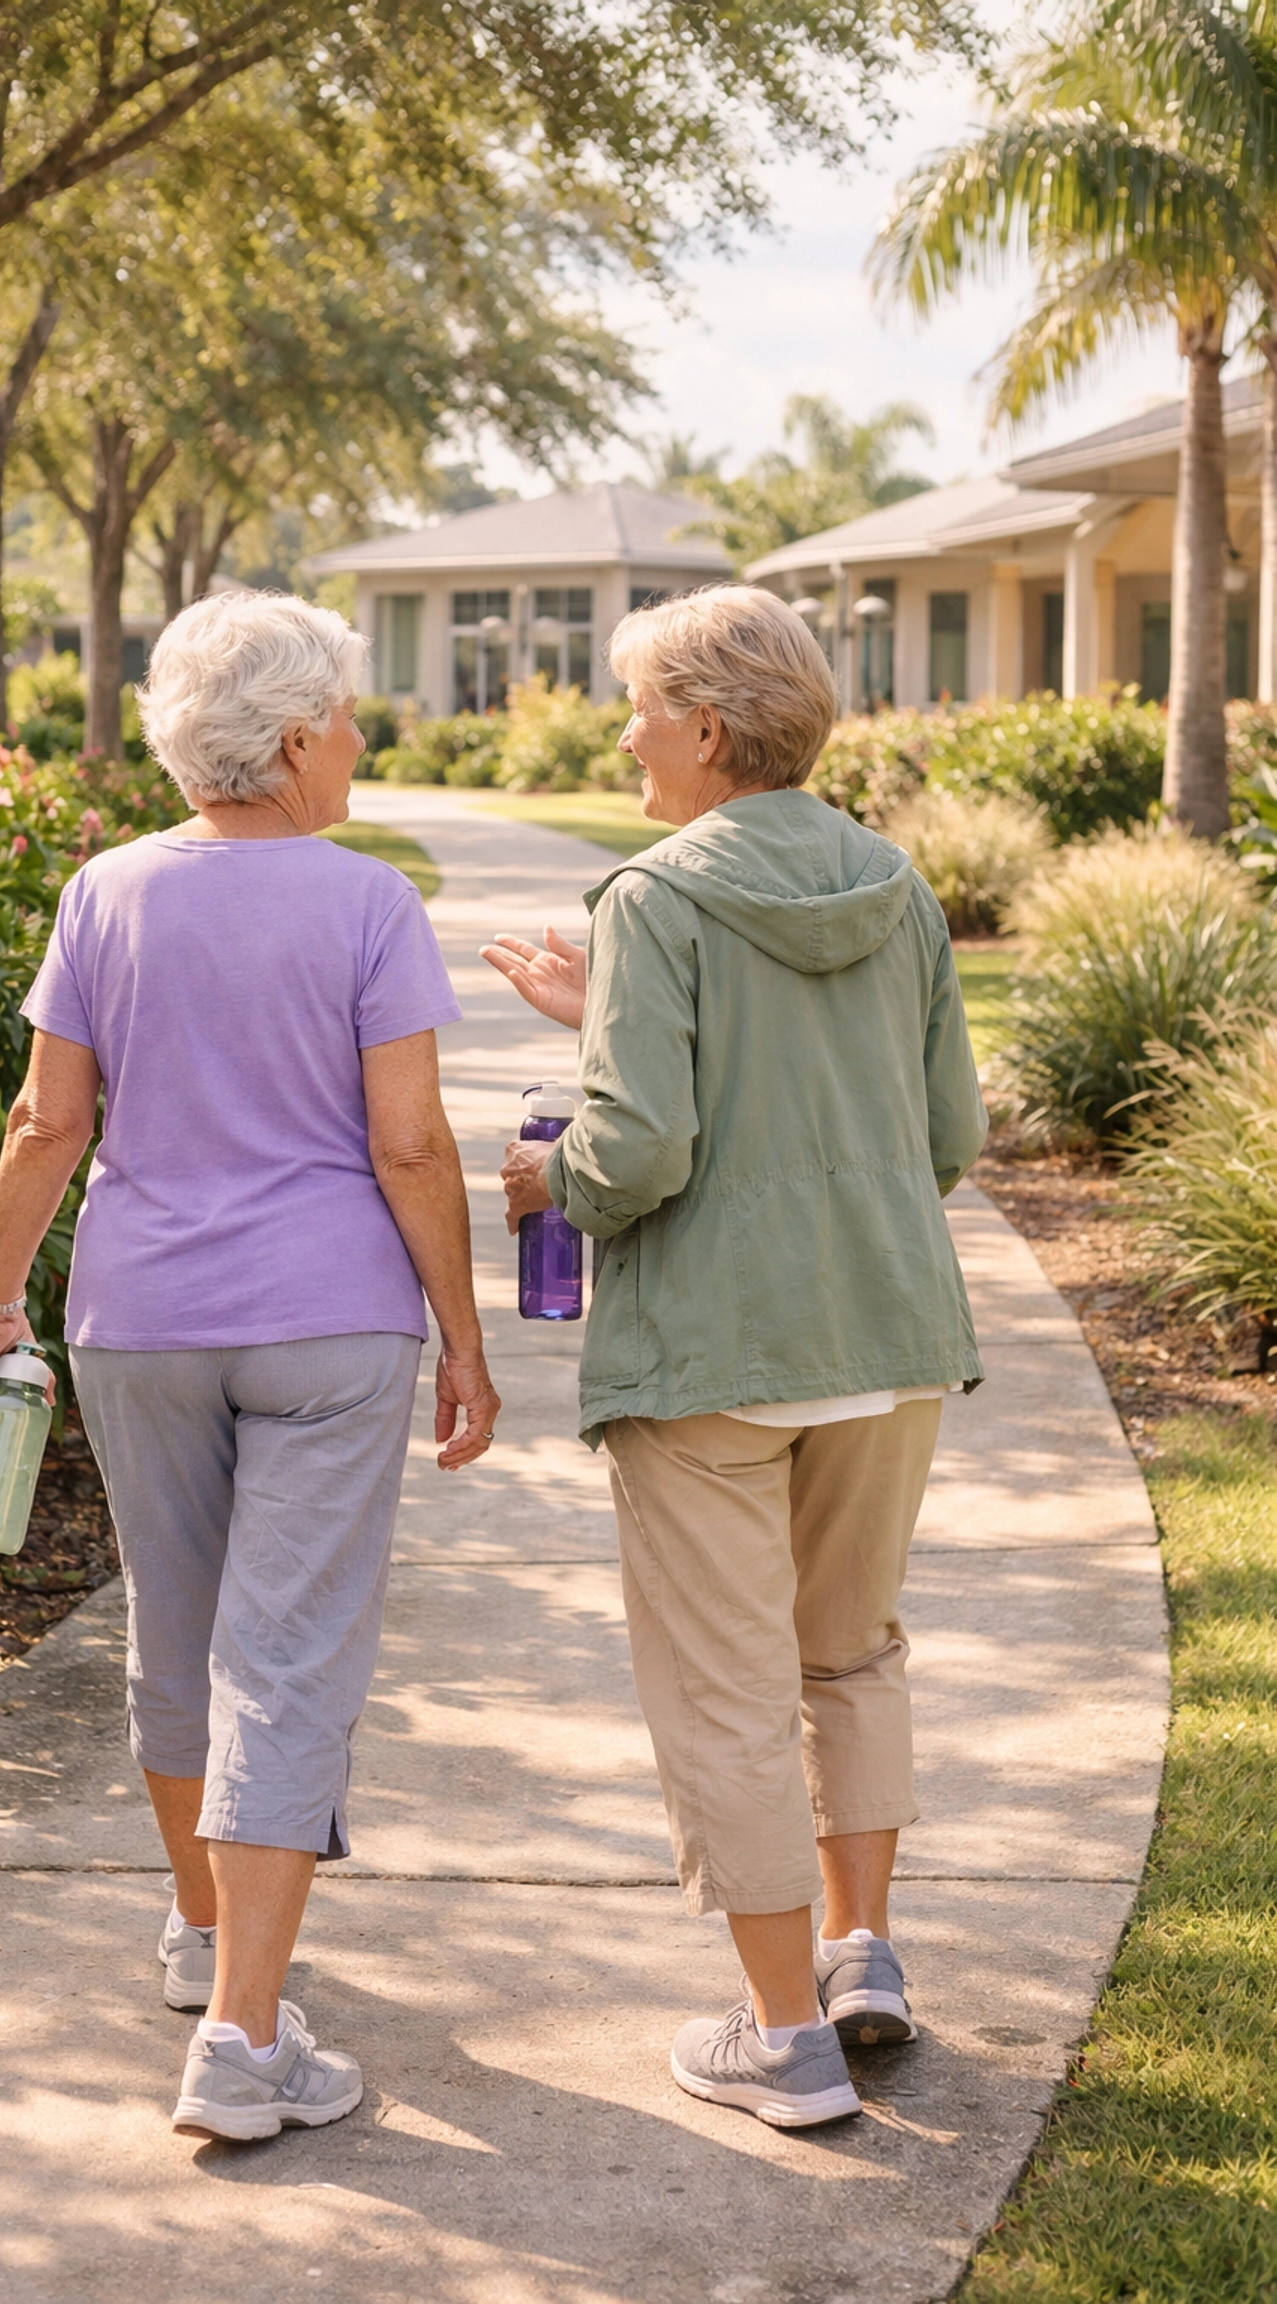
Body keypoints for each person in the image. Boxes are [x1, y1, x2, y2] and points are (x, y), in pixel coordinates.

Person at [0, 590, 499, 2144]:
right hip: (329, 1330)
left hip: (141, 1322)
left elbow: (47, 1123)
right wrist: (463, 1336)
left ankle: (206, 1940)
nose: (360, 744)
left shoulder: (106, 892)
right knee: (290, 1661)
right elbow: (407, 1141)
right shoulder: (369, 904)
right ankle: (248, 2042)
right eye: (344, 719)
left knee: (177, 1637)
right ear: (284, 740)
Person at [486, 585, 986, 2131]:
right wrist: (610, 1017)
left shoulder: (657, 897)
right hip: (888, 1339)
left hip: (712, 1360)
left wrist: (541, 1184)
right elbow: (950, 1137)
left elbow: (636, 1154)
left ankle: (784, 2042)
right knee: (851, 1655)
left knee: (725, 1694)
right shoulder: (895, 888)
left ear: (706, 729)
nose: (624, 732)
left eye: (640, 706)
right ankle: (861, 1956)